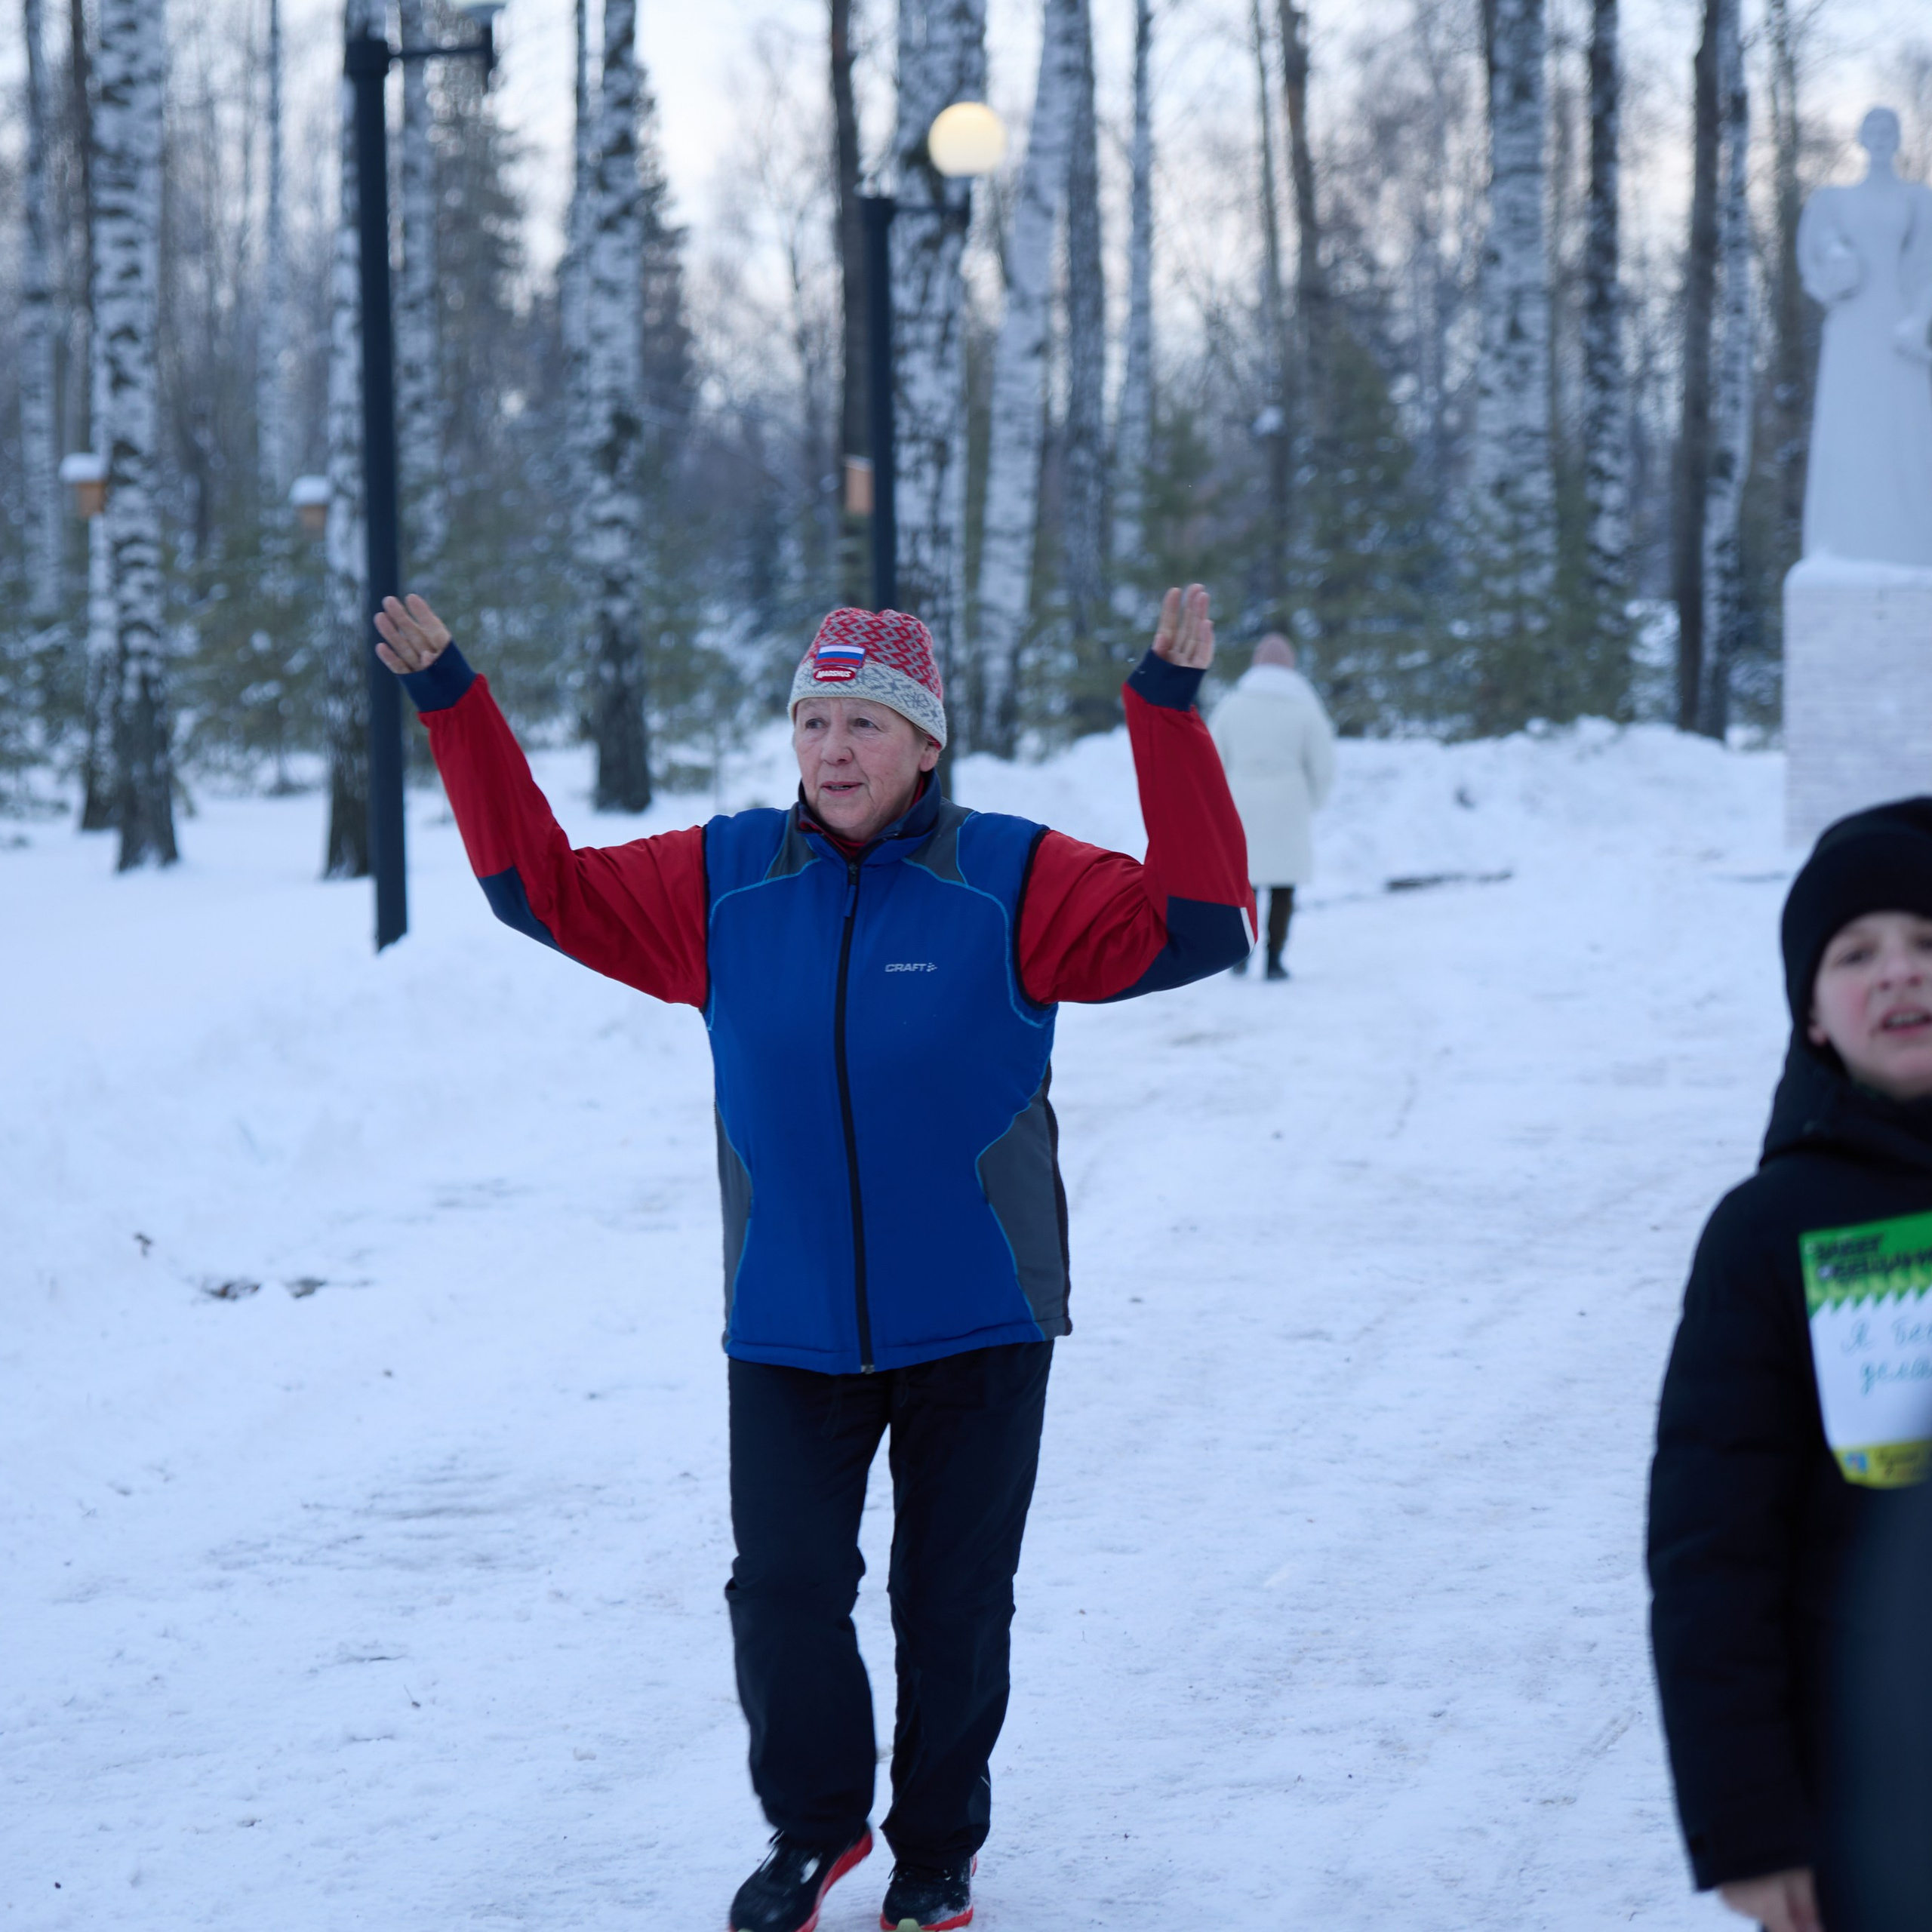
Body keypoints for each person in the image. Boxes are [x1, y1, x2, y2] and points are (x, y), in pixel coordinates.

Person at [373, 586, 1254, 1932]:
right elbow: (534, 891)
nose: (834, 750)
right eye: (813, 721)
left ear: (927, 745)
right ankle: (816, 1829)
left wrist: (1163, 716)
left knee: (950, 1602)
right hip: (788, 1320)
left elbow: (1202, 926)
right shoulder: (725, 883)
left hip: (979, 1311)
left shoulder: (1010, 879)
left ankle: (937, 1849)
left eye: (866, 723)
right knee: (782, 1590)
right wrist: (455, 705)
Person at [1648, 799, 1932, 1932]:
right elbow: (1714, 1555)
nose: (1899, 974)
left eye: (1926, 943)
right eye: (1855, 954)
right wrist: (1751, 1828)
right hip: (1870, 1800)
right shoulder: (1770, 1233)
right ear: (1810, 1015)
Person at [1208, 633, 1335, 980]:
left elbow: (1212, 757)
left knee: (1243, 884)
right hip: (1288, 803)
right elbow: (1324, 766)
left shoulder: (1232, 705)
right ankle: (1275, 960)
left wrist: (1218, 807)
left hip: (1241, 801)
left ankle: (1240, 955)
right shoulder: (1305, 707)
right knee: (1283, 886)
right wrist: (1311, 802)